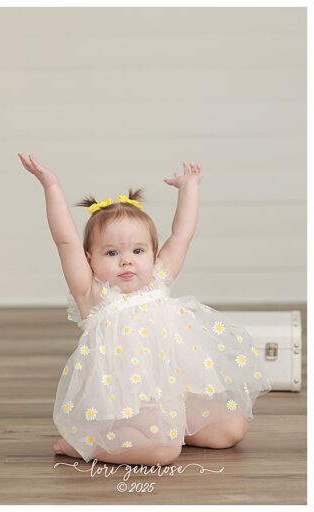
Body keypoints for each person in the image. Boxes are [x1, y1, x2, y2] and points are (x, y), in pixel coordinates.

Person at [18, 154, 271, 466]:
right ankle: (87, 445)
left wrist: (189, 188)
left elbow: (182, 234)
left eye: (138, 251)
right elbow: (65, 241)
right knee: (166, 452)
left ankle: (173, 427)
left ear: (153, 254)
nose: (127, 260)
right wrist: (51, 186)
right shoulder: (92, 295)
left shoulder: (158, 280)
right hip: (126, 406)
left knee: (232, 430)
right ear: (89, 259)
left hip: (174, 394)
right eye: (112, 252)